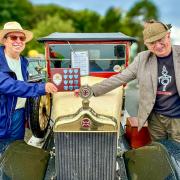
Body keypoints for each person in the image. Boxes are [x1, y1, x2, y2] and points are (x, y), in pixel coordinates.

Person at [90, 19, 180, 142]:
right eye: (152, 43)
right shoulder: (142, 59)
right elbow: (120, 78)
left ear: (168, 35)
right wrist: (91, 90)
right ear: (147, 44)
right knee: (160, 153)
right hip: (155, 120)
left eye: (160, 40)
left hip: (178, 119)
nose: (158, 46)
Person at [0, 21, 57, 151]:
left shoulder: (23, 61)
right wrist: (42, 88)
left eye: (22, 38)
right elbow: (9, 85)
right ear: (4, 41)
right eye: (13, 37)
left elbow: (27, 83)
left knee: (16, 150)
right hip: (2, 115)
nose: (18, 41)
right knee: (3, 154)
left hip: (19, 114)